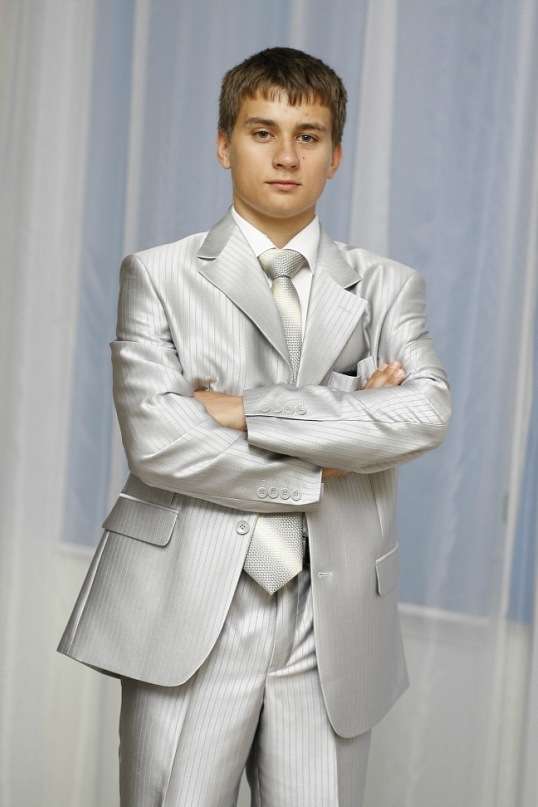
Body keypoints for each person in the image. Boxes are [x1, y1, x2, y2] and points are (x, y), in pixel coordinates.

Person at [58, 47, 451, 807]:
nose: (286, 155)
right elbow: (161, 443)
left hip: (332, 626)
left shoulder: (387, 286)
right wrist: (336, 445)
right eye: (261, 131)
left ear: (336, 155)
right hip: (191, 608)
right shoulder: (158, 275)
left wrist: (243, 410)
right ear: (223, 143)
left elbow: (423, 411)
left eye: (309, 136)